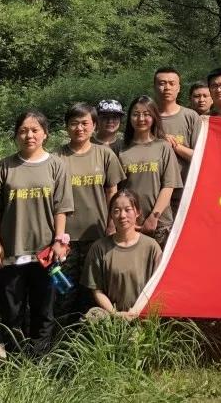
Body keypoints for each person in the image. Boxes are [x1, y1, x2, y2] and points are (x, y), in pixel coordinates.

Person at [0, 110, 73, 356]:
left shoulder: (56, 165)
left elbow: (61, 207)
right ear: (16, 135)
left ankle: (39, 359)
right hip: (11, 251)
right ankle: (15, 359)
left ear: (45, 134)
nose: (29, 135)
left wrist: (59, 241)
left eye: (35, 130)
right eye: (23, 130)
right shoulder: (3, 167)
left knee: (43, 309)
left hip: (45, 253)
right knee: (11, 310)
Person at [53, 104, 125, 320]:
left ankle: (90, 332)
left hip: (97, 235)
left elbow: (112, 191)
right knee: (63, 290)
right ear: (66, 126)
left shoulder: (104, 154)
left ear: (94, 125)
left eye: (85, 123)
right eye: (74, 123)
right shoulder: (56, 157)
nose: (79, 128)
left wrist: (111, 226)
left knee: (94, 289)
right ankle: (63, 332)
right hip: (65, 238)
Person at [82, 189, 162, 319]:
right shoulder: (99, 248)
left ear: (137, 212)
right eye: (116, 211)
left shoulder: (151, 247)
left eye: (128, 210)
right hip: (111, 321)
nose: (122, 215)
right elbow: (96, 290)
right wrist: (115, 314)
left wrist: (137, 311)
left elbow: (158, 287)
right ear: (111, 215)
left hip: (144, 318)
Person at [118, 97, 183, 248]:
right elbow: (116, 189)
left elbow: (169, 185)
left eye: (146, 114)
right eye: (136, 114)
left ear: (154, 117)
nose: (141, 118)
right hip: (129, 223)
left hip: (160, 224)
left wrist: (154, 216)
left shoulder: (163, 147)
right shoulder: (121, 149)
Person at [153, 67, 200, 219]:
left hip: (186, 192)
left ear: (179, 88)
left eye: (172, 83)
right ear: (154, 87)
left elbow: (200, 157)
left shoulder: (191, 116)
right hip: (154, 194)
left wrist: (174, 145)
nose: (167, 87)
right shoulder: (147, 117)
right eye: (162, 83)